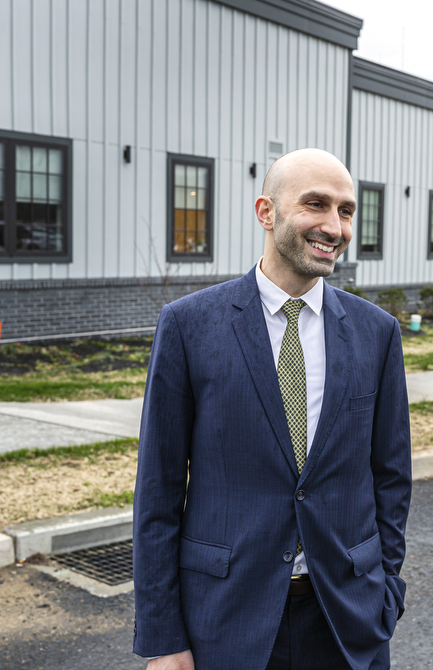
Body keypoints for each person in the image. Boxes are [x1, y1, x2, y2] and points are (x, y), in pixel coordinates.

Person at [132, 148, 412, 670]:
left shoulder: (378, 333)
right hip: (225, 621)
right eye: (316, 205)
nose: (334, 226)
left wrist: (386, 591)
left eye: (346, 211)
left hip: (347, 623)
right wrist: (163, 637)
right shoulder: (189, 326)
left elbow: (391, 477)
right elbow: (158, 493)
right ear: (267, 211)